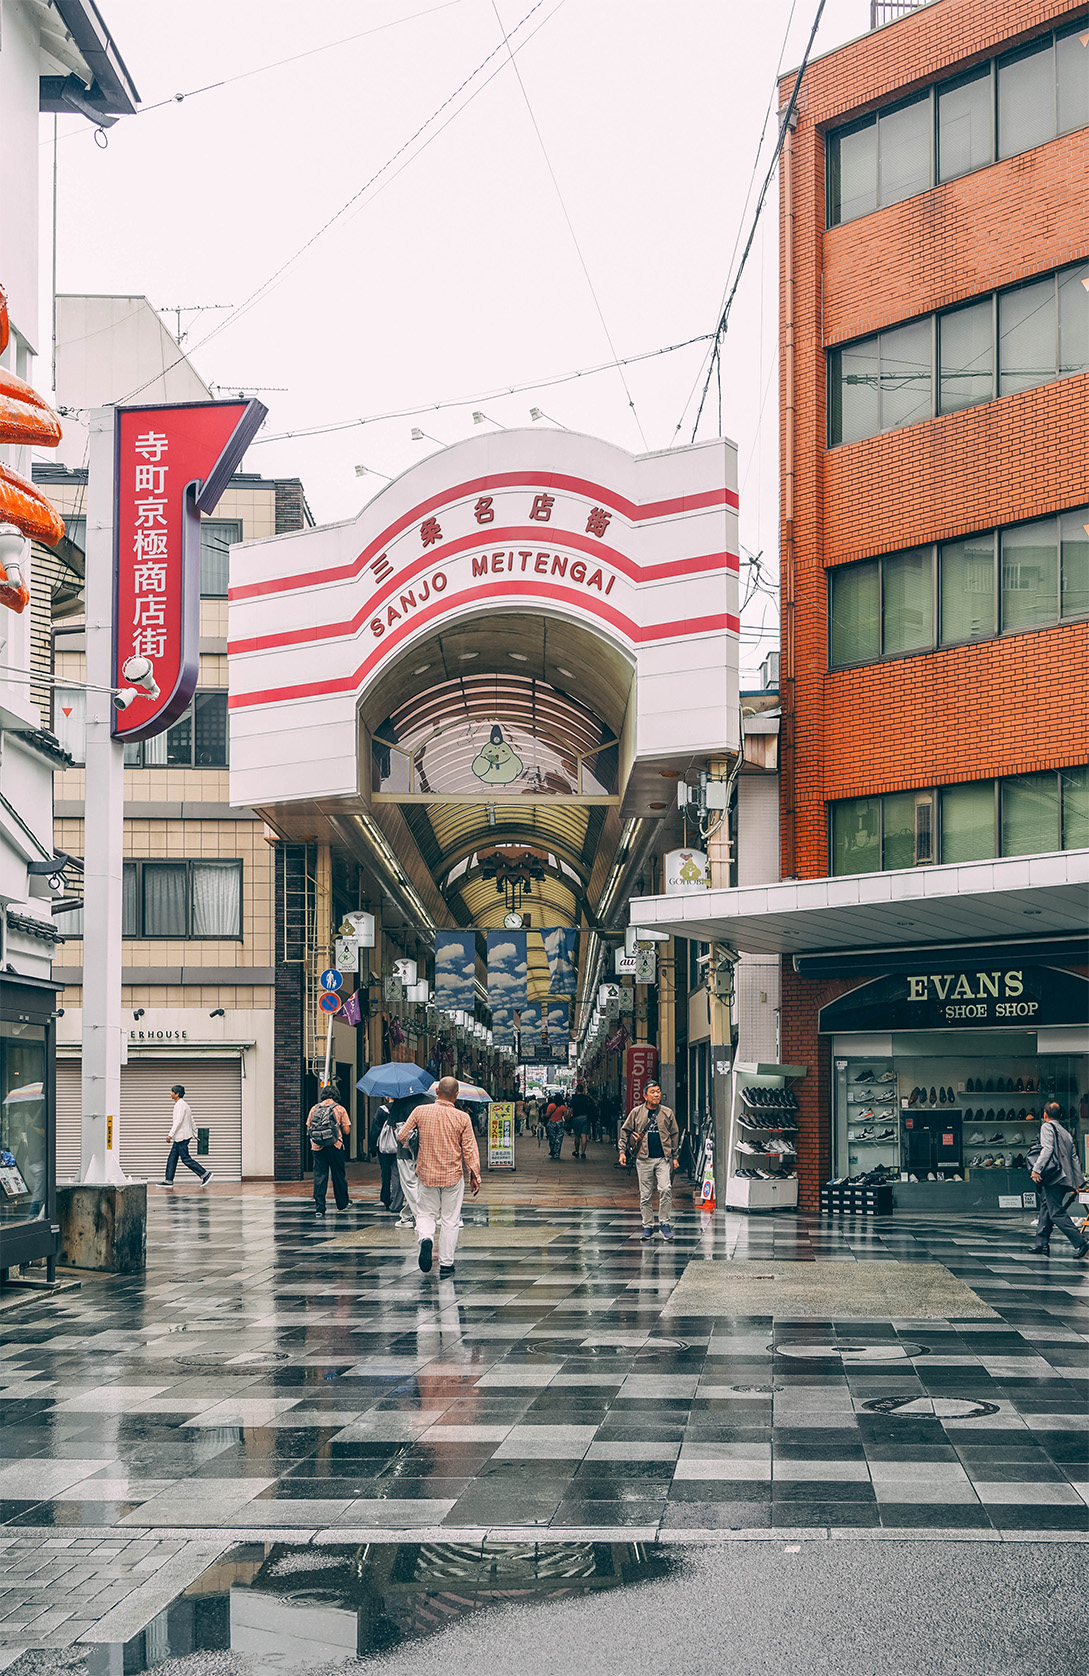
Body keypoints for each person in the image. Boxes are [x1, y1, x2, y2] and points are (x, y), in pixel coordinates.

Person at [397, 1075, 480, 1278]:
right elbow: (469, 1149)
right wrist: (474, 1174)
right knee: (450, 1220)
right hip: (452, 1175)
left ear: (436, 1092)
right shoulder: (463, 1118)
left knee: (425, 1214)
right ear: (456, 1095)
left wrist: (414, 1146)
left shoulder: (421, 1111)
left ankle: (426, 1239)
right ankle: (446, 1263)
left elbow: (402, 1136)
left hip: (426, 1174)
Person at [619, 1082, 679, 1241]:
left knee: (665, 1189)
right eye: (652, 1092)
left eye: (658, 1091)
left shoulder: (667, 1113)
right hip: (643, 1159)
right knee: (645, 1195)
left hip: (663, 1159)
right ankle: (647, 1226)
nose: (656, 1095)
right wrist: (622, 1152)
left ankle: (664, 1224)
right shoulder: (636, 1112)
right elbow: (625, 1131)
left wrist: (675, 1157)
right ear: (645, 1096)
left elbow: (674, 1134)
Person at [1030, 1100, 1088, 1259]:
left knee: (1055, 1212)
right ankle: (1041, 1244)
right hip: (1066, 1178)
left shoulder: (1046, 1127)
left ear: (1045, 1114)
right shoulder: (1066, 1132)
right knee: (1046, 1207)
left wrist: (1036, 1169)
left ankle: (1081, 1242)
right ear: (1060, 1115)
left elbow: (1047, 1149)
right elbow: (1074, 1158)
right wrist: (1078, 1182)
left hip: (1054, 1178)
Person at [306, 1082, 352, 1217]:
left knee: (320, 1176)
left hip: (317, 1146)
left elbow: (309, 1127)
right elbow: (347, 1130)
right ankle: (342, 1204)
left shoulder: (314, 1108)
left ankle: (320, 1207)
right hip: (335, 1145)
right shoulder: (339, 1109)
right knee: (338, 1175)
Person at [161, 1084, 213, 1187]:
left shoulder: (180, 1105)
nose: (170, 1094)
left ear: (177, 1094)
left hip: (182, 1137)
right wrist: (195, 1132)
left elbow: (178, 1121)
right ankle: (168, 1180)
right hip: (181, 1136)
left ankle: (204, 1174)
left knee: (186, 1159)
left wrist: (170, 1135)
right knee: (172, 1158)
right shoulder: (185, 1105)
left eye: (172, 1092)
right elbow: (191, 1119)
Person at [374, 1101, 404, 1214]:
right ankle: (396, 1202)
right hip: (399, 1147)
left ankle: (386, 1198)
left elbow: (375, 1129)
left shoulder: (382, 1110)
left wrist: (373, 1146)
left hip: (384, 1148)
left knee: (385, 1174)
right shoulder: (403, 1109)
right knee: (397, 1175)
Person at [569, 1082, 594, 1160]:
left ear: (576, 1090)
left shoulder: (574, 1098)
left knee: (577, 1135)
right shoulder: (586, 1098)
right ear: (583, 1090)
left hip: (576, 1118)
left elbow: (570, 1109)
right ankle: (583, 1153)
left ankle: (576, 1151)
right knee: (584, 1135)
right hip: (585, 1117)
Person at [545, 1093, 568, 1159]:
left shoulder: (551, 1106)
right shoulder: (563, 1107)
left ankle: (552, 1151)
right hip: (560, 1123)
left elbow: (547, 1114)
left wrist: (543, 1116)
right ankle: (557, 1153)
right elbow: (565, 1116)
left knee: (552, 1138)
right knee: (559, 1139)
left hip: (551, 1123)